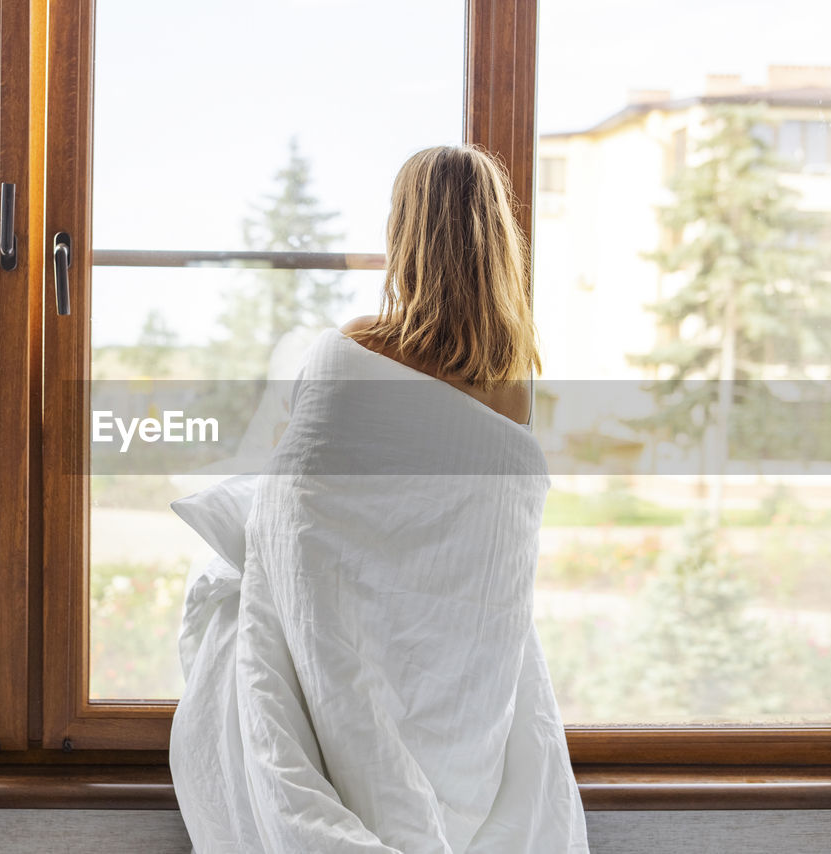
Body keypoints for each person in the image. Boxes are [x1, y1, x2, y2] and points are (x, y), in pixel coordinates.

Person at [169, 144, 589, 853]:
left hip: (352, 671)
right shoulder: (513, 392)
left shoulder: (345, 355)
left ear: (405, 235)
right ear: (498, 243)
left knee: (230, 600)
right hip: (459, 703)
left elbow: (289, 523)